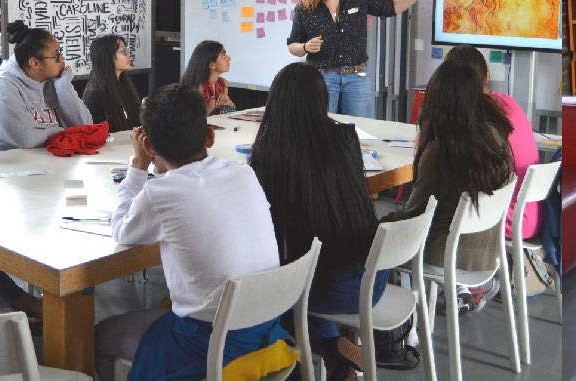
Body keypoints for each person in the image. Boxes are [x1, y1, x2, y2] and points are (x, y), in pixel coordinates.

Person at [96, 84, 291, 379]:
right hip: (267, 325)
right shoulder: (243, 172)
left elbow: (123, 231)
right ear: (210, 136)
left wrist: (138, 167)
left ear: (149, 146)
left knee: (102, 334)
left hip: (209, 343)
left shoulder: (160, 193)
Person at [248, 62, 415, 375]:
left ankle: (324, 346)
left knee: (276, 296)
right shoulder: (345, 138)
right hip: (374, 278)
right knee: (314, 265)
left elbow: (265, 222)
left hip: (329, 288)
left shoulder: (271, 149)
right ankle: (333, 348)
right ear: (322, 99)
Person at [395, 48, 522, 278]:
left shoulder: (440, 152)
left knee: (379, 241)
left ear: (437, 101)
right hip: (485, 255)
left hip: (445, 256)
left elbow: (412, 218)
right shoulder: (495, 138)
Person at [287, 0, 436, 118]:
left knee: (361, 131)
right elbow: (292, 45)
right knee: (321, 130)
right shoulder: (306, 8)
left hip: (357, 78)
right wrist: (305, 47)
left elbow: (391, 7)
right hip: (324, 78)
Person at [0, 22, 93, 154]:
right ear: (35, 63)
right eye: (56, 56)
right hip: (5, 165)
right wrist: (63, 132)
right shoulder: (2, 86)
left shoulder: (54, 81)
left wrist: (64, 86)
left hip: (48, 160)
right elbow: (26, 138)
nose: (62, 58)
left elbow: (86, 126)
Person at [80, 34, 141, 133]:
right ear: (107, 56)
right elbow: (95, 132)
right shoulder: (95, 93)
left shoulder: (123, 84)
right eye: (122, 51)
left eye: (127, 50)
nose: (128, 54)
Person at [180, 40, 237, 115]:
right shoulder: (197, 87)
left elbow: (223, 116)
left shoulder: (223, 84)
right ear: (211, 64)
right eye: (223, 55)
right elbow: (191, 121)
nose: (229, 58)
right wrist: (210, 107)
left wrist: (228, 105)